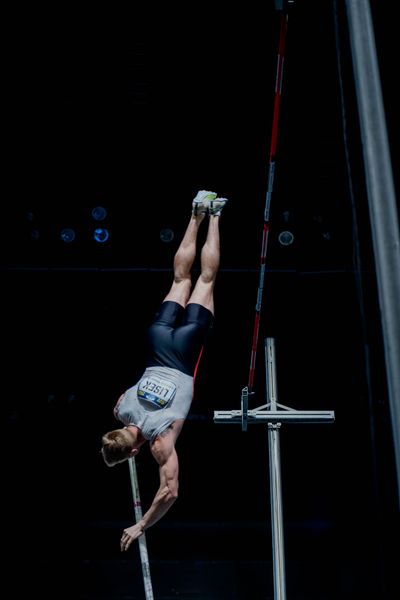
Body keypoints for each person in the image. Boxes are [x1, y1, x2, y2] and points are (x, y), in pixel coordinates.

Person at [101, 190, 228, 552]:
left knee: (205, 281)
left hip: (186, 350)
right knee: (179, 278)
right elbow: (124, 399)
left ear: (131, 454)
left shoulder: (159, 442)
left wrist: (142, 524)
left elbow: (170, 490)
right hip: (157, 343)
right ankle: (196, 212)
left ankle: (216, 215)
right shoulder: (120, 409)